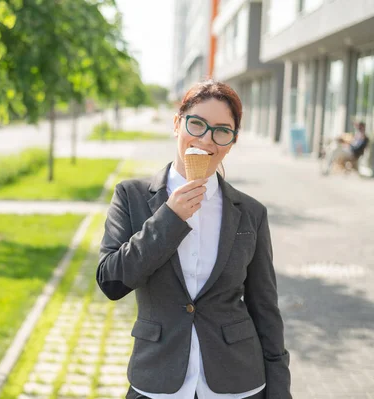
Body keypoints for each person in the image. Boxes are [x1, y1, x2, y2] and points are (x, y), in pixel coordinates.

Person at [96, 80, 291, 399]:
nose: (206, 139)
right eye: (197, 124)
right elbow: (111, 282)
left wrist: (280, 389)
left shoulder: (250, 213)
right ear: (177, 124)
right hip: (157, 380)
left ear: (232, 141)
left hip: (239, 383)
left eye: (221, 131)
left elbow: (265, 308)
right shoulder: (130, 197)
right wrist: (169, 218)